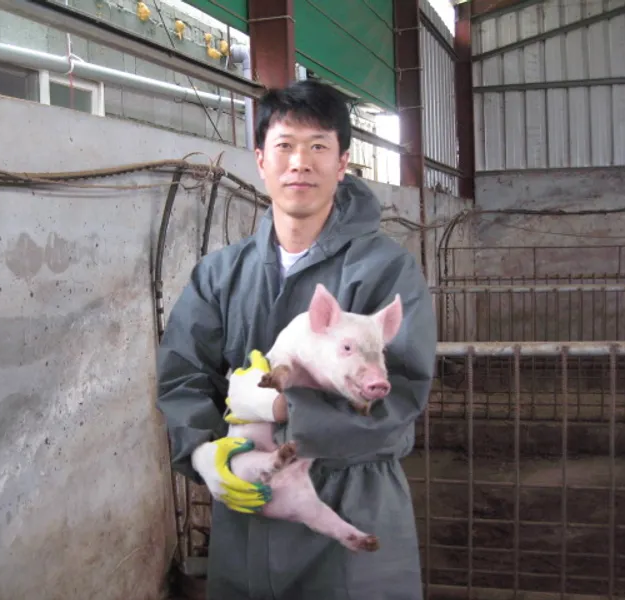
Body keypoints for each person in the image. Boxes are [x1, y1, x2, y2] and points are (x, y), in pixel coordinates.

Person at [155, 78, 437, 600]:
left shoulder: (386, 270)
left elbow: (399, 397)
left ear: (343, 162)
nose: (300, 162)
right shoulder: (221, 273)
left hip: (351, 499)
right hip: (248, 507)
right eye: (284, 145)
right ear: (261, 160)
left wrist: (285, 410)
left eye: (318, 147)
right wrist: (203, 453)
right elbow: (183, 375)